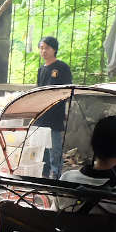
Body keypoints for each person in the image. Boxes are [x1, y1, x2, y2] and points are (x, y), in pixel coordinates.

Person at [36, 36, 72, 179]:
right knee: (42, 147)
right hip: (41, 114)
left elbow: (67, 90)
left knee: (54, 148)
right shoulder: (41, 69)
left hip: (55, 115)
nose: (43, 51)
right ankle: (43, 175)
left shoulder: (62, 67)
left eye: (47, 48)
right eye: (41, 48)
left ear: (54, 49)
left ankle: (56, 176)